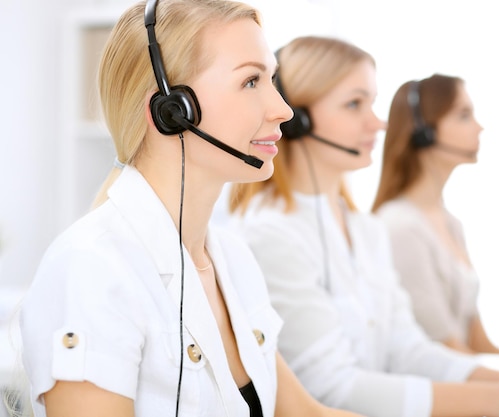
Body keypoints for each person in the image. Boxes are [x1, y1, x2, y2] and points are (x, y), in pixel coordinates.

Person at [228, 36, 499, 417]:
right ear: (298, 119)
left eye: (373, 103)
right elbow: (331, 387)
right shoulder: (270, 234)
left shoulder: (365, 230)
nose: (378, 122)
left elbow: (407, 348)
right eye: (354, 103)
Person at [17, 1, 364, 416]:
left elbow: (305, 413)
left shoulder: (233, 260)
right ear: (172, 111)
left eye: (272, 80)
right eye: (251, 81)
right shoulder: (92, 269)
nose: (283, 110)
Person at [371, 75, 499, 355]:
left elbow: (478, 342)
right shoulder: (400, 227)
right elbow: (446, 349)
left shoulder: (450, 222)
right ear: (423, 131)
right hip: (443, 388)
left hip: (469, 380)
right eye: (464, 115)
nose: (479, 127)